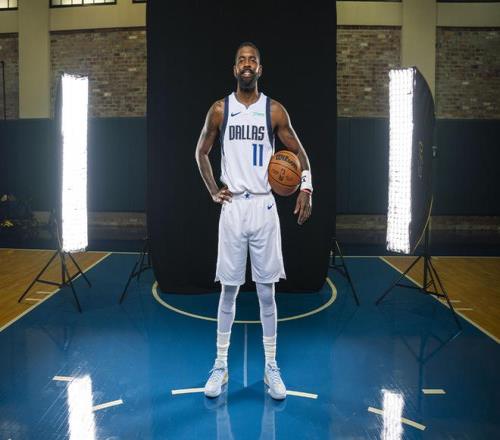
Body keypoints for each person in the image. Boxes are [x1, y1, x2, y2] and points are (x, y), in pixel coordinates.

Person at [195, 42, 313, 400]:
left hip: (264, 207)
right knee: (228, 290)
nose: (247, 64)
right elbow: (201, 152)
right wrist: (213, 189)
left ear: (260, 68)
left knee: (266, 291)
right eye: (241, 60)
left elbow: (299, 153)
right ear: (235, 69)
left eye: (253, 60)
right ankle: (220, 365)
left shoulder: (274, 110)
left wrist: (306, 188)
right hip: (233, 208)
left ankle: (271, 366)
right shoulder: (220, 110)